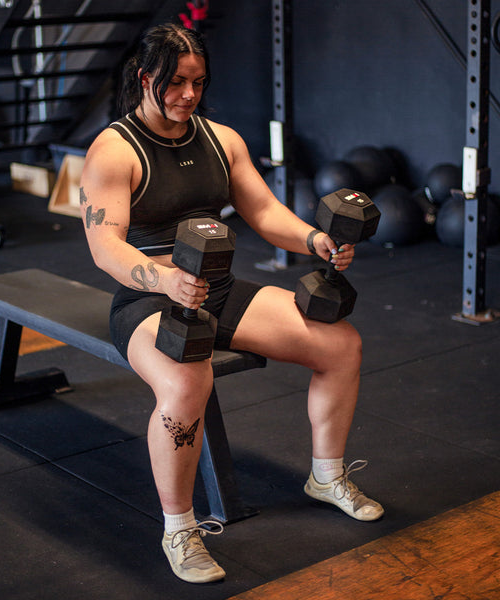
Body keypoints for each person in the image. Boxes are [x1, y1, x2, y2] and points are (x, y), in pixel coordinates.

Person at [79, 23, 383, 584]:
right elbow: (105, 247)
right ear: (146, 78)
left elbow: (264, 214)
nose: (188, 95)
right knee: (187, 382)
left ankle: (326, 474)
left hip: (219, 290)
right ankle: (179, 528)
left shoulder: (222, 140)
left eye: (198, 82)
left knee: (341, 344)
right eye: (175, 83)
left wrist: (314, 241)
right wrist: (164, 280)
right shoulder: (114, 149)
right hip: (147, 301)